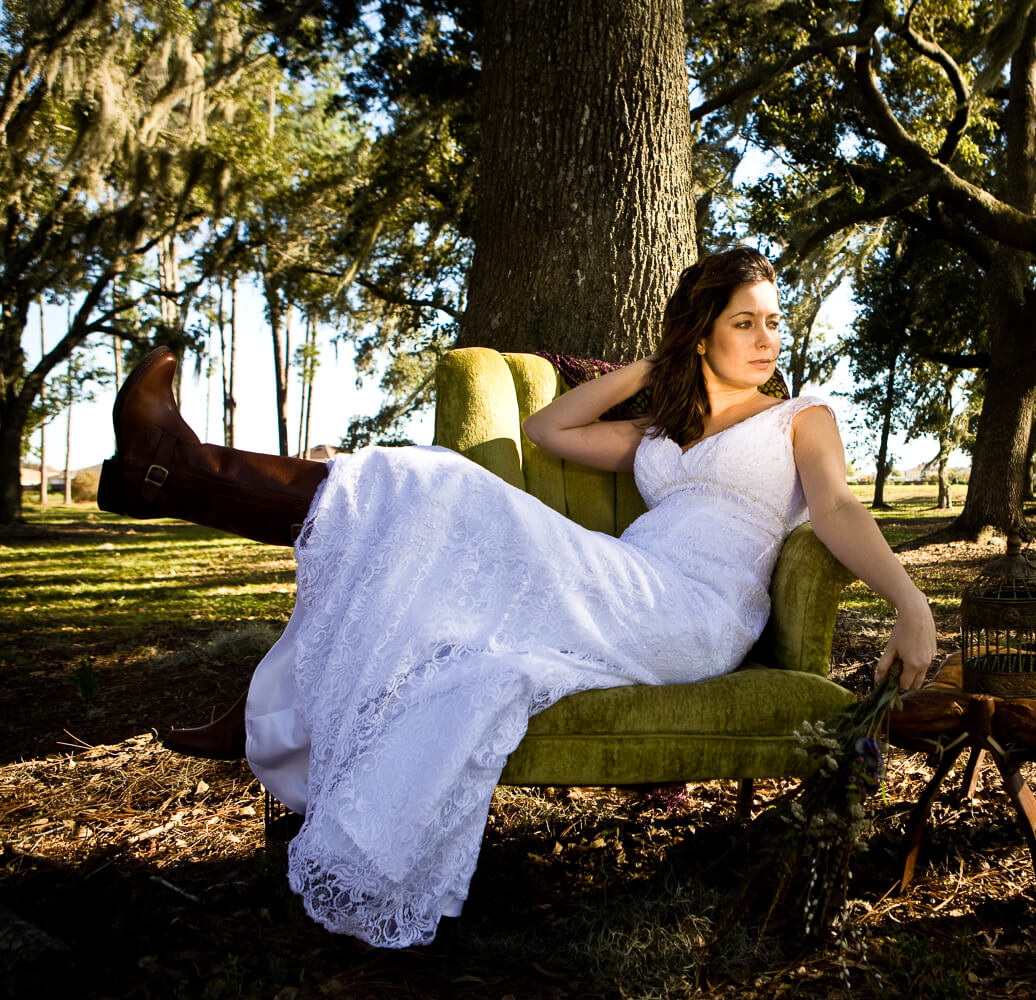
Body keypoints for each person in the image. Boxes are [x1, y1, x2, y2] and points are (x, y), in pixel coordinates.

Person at [98, 247, 937, 948]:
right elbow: (551, 431)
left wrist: (910, 601)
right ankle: (232, 620)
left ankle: (179, 472)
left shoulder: (800, 417)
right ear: (703, 331)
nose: (766, 339)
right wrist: (659, 366)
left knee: (436, 483)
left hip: (691, 612)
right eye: (743, 321)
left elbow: (834, 507)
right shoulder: (660, 431)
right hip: (622, 584)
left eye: (774, 320)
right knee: (419, 538)